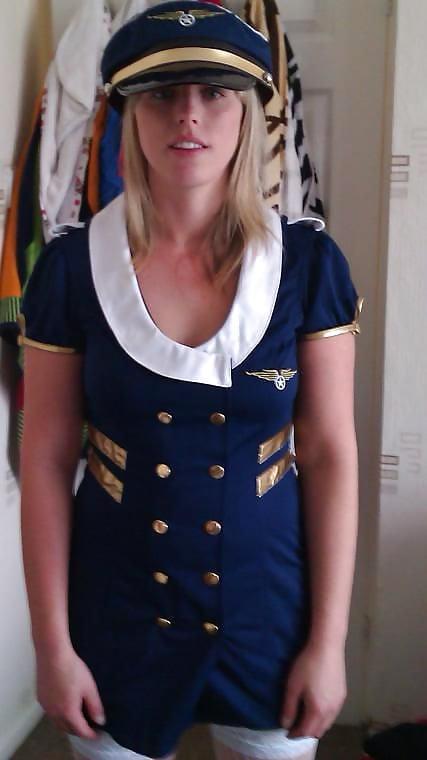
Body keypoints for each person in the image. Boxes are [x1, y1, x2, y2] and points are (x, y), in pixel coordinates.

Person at [18, 2, 363, 759]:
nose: (189, 115)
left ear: (248, 115)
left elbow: (330, 454)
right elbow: (43, 460)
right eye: (162, 95)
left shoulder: (308, 266)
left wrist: (328, 643)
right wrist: (52, 647)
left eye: (214, 94)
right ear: (129, 115)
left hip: (269, 609)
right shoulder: (70, 271)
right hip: (115, 612)